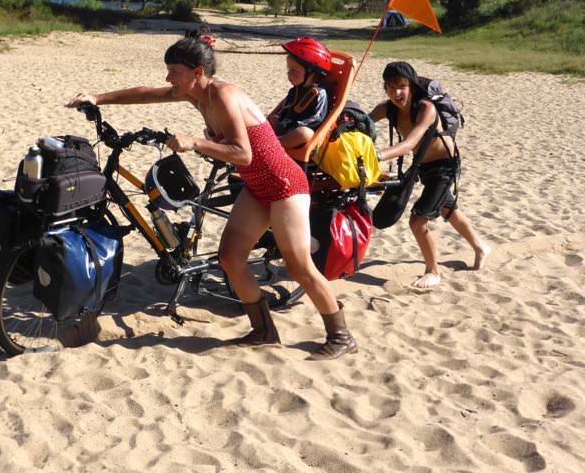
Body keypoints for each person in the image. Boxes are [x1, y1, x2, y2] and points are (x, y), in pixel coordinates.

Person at [67, 31, 357, 359]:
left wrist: (196, 142)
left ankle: (341, 335)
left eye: (174, 71)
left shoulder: (224, 96)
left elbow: (243, 153)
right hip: (257, 186)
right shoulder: (195, 94)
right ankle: (263, 330)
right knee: (231, 258)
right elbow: (148, 93)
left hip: (285, 184)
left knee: (300, 266)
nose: (168, 78)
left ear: (197, 73)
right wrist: (98, 97)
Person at [369, 62, 490, 289]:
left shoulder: (425, 108)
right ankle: (480, 247)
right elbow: (364, 123)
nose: (397, 93)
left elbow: (410, 143)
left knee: (418, 220)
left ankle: (433, 271)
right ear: (385, 88)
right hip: (423, 167)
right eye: (391, 87)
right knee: (448, 210)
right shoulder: (387, 108)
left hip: (445, 166)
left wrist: (376, 155)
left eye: (402, 86)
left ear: (411, 87)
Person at [268, 38, 331, 149]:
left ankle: (270, 146)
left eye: (294, 70)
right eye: (288, 70)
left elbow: (317, 118)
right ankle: (271, 143)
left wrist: (298, 125)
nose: (289, 74)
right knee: (265, 122)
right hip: (285, 128)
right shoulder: (294, 90)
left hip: (298, 133)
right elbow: (286, 108)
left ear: (310, 72)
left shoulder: (319, 93)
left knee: (304, 133)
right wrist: (278, 118)